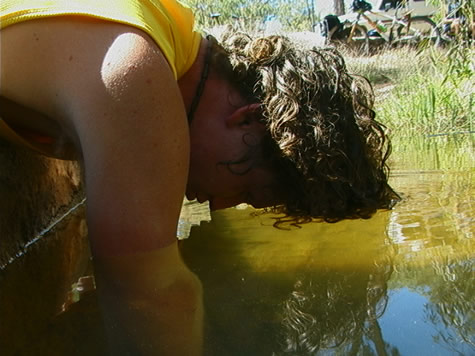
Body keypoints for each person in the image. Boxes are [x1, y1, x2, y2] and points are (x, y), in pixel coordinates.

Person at [0, 0, 398, 354]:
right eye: (247, 189)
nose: (220, 205)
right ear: (249, 118)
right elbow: (147, 293)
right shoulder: (138, 70)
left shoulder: (162, 27)